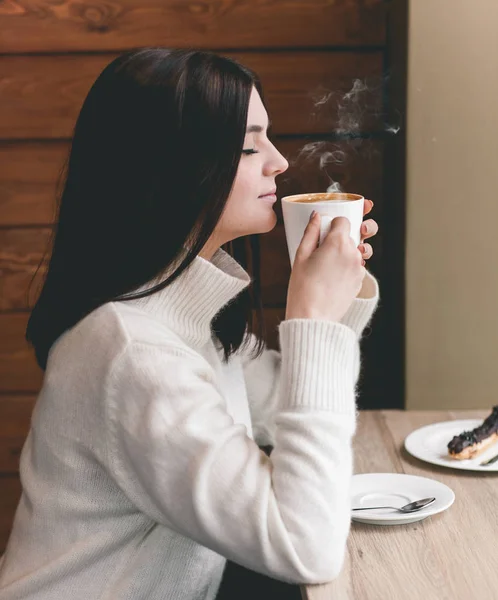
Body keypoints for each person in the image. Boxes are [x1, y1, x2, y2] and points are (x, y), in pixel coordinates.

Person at [0, 47, 379, 600]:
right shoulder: (133, 354)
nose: (278, 161)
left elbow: (290, 405)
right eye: (250, 145)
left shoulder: (189, 321)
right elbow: (307, 547)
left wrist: (336, 299)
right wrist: (313, 316)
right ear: (173, 166)